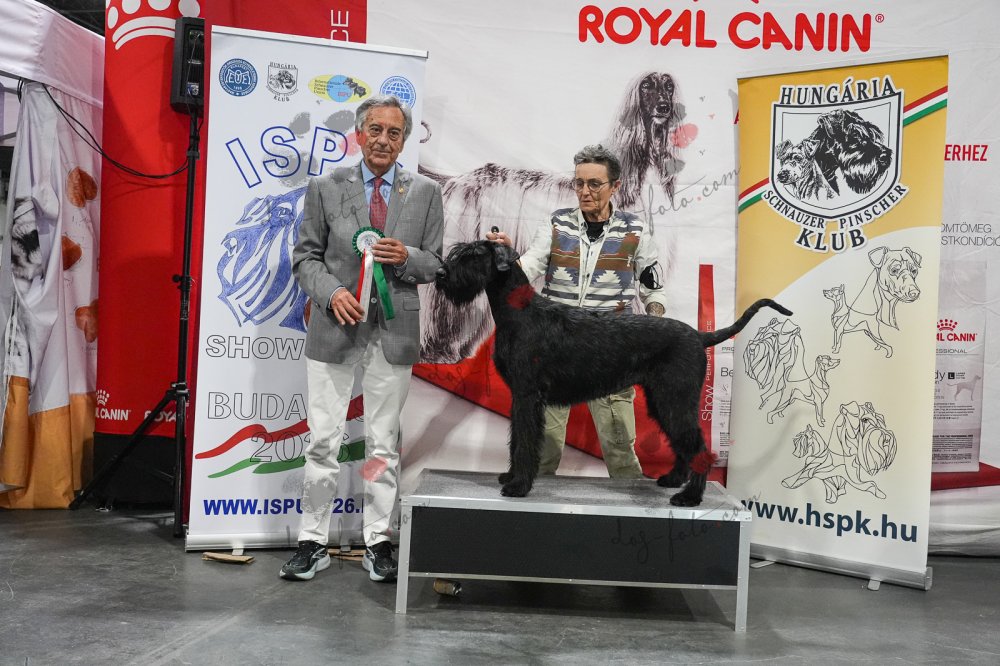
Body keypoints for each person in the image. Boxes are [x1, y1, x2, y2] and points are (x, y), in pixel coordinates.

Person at [280, 95, 444, 583]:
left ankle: (377, 540)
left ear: (404, 141)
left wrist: (407, 257)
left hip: (393, 334)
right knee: (322, 441)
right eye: (375, 129)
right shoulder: (326, 187)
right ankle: (312, 540)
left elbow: (435, 263)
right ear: (359, 134)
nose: (383, 140)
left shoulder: (427, 193)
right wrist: (332, 294)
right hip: (334, 329)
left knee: (382, 446)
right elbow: (305, 257)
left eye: (394, 133)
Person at [488, 144, 667, 478]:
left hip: (611, 349)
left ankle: (630, 507)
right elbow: (529, 266)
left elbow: (653, 289)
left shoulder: (636, 231)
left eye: (594, 184)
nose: (585, 191)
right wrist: (506, 259)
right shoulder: (556, 224)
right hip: (554, 349)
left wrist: (654, 331)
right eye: (579, 183)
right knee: (542, 450)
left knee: (619, 450)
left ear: (615, 186)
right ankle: (533, 503)